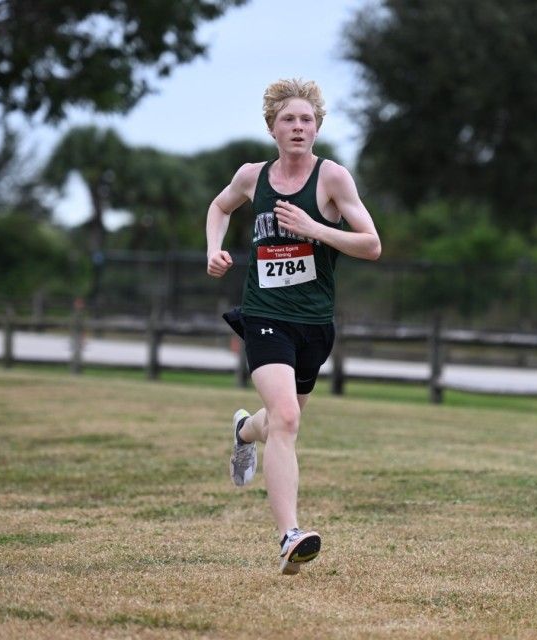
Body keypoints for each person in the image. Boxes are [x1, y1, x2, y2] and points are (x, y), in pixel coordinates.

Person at [205, 78, 381, 575]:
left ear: (317, 128)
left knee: (277, 422)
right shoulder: (251, 176)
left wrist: (316, 229)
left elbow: (371, 244)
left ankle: (243, 430)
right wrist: (214, 249)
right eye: (288, 119)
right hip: (263, 315)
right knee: (286, 417)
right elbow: (220, 207)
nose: (298, 127)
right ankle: (290, 536)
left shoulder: (333, 180)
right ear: (272, 128)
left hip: (314, 323)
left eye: (307, 119)